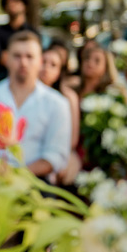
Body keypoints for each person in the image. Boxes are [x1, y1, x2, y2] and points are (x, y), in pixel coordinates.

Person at [0, 32, 72, 180]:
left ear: (40, 61)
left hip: (37, 183)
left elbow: (56, 156)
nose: (23, 62)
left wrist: (16, 175)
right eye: (17, 56)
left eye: (29, 56)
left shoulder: (57, 103)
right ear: (6, 59)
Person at [40, 43, 81, 185]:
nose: (46, 68)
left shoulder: (67, 97)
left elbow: (72, 140)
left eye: (53, 65)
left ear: (59, 71)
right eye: (43, 62)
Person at [0, 0, 38, 82]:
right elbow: (0, 57)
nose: (11, 4)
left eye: (16, 1)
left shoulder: (33, 32)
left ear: (24, 6)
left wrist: (10, 55)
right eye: (8, 2)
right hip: (2, 79)